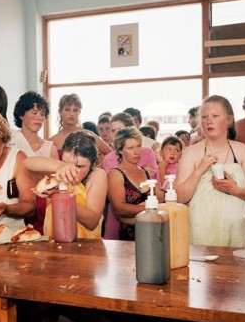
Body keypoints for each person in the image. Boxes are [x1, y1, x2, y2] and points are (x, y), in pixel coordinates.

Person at [175, 95, 245, 247]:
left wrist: (235, 190)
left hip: (235, 232)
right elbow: (179, 198)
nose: (209, 121)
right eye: (204, 117)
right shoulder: (191, 153)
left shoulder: (242, 150)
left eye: (215, 116)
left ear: (229, 120)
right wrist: (199, 170)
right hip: (199, 234)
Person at [25, 131, 107, 239]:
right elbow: (27, 163)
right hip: (53, 242)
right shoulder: (59, 173)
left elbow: (92, 221)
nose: (71, 171)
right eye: (66, 163)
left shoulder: (97, 176)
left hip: (86, 244)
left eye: (79, 166)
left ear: (92, 163)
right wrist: (60, 166)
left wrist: (59, 197)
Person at [102, 112, 159, 240]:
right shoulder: (115, 174)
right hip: (129, 235)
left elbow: (159, 196)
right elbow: (120, 208)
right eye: (130, 148)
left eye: (138, 146)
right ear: (120, 150)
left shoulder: (144, 172)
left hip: (152, 231)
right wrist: (150, 207)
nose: (136, 151)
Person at [11, 91, 59, 233]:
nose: (39, 118)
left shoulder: (50, 148)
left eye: (42, 114)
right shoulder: (10, 143)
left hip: (43, 208)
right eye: (34, 113)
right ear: (21, 114)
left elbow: (56, 181)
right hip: (14, 203)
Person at [48, 93, 112, 159]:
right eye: (67, 109)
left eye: (75, 110)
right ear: (60, 112)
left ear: (79, 112)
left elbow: (112, 155)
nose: (71, 114)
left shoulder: (89, 135)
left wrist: (99, 165)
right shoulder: (51, 142)